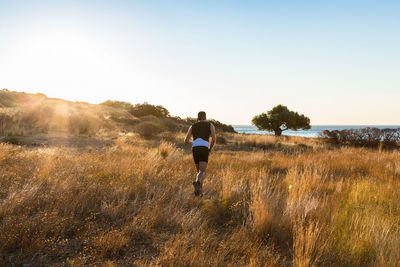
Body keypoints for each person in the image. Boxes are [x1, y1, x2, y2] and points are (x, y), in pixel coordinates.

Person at [184, 111, 216, 196]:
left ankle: (199, 193)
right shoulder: (210, 125)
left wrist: (194, 143)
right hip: (204, 148)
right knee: (202, 172)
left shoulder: (192, 126)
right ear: (205, 117)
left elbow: (186, 140)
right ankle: (198, 183)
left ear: (198, 117)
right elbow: (213, 139)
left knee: (199, 172)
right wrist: (210, 148)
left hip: (195, 148)